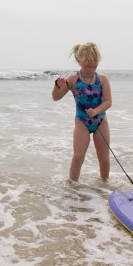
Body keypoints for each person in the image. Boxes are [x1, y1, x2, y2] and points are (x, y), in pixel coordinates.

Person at [52, 42, 112, 182]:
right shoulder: (73, 79)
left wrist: (96, 110)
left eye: (95, 64)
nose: (92, 67)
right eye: (88, 64)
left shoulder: (102, 79)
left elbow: (108, 101)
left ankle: (104, 184)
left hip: (100, 122)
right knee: (78, 157)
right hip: (81, 122)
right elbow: (56, 97)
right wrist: (57, 86)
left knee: (104, 158)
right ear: (79, 61)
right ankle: (72, 187)